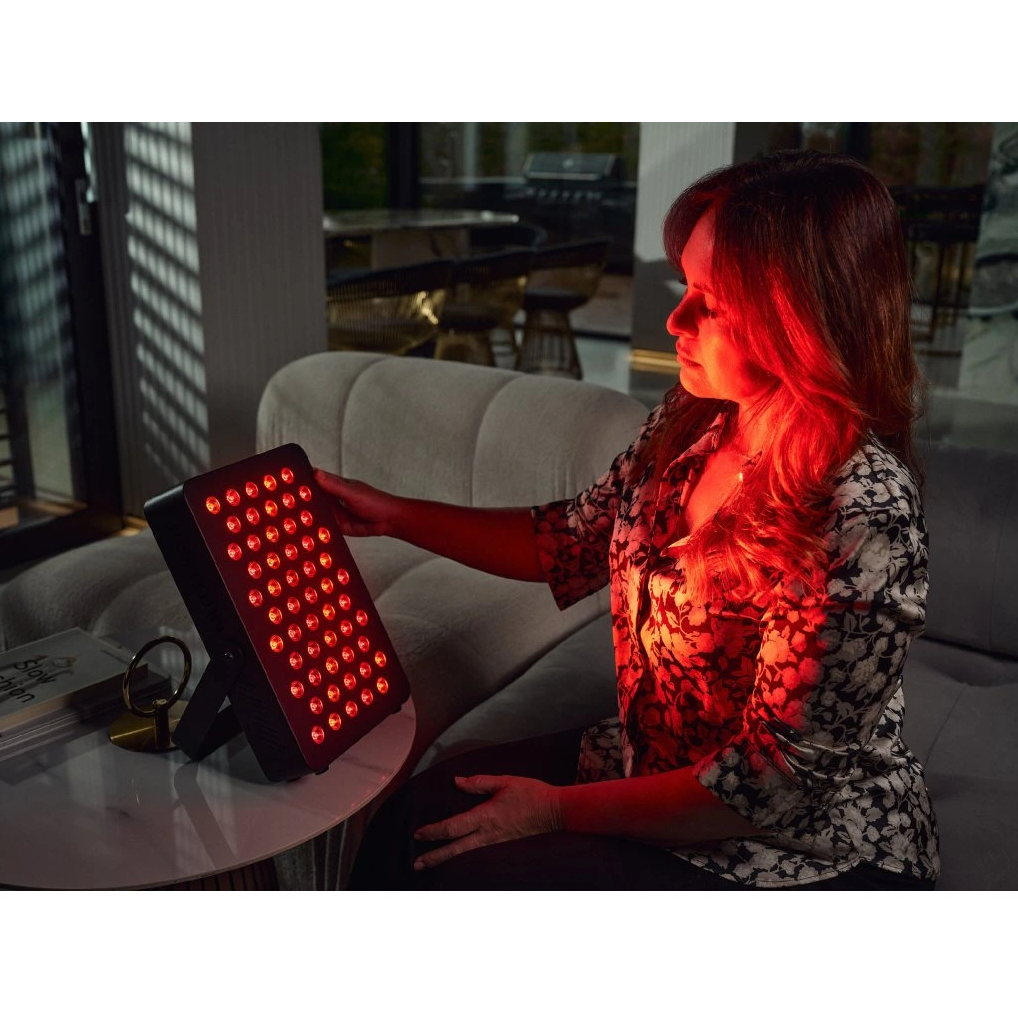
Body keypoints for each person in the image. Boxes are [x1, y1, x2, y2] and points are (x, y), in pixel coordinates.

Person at [320, 149, 940, 890]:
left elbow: (772, 783)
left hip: (795, 845)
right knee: (415, 815)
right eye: (686, 285)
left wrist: (554, 812)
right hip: (658, 768)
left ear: (805, 318)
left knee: (460, 876)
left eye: (714, 302)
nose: (676, 319)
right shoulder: (696, 417)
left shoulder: (861, 510)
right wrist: (392, 515)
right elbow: (570, 542)